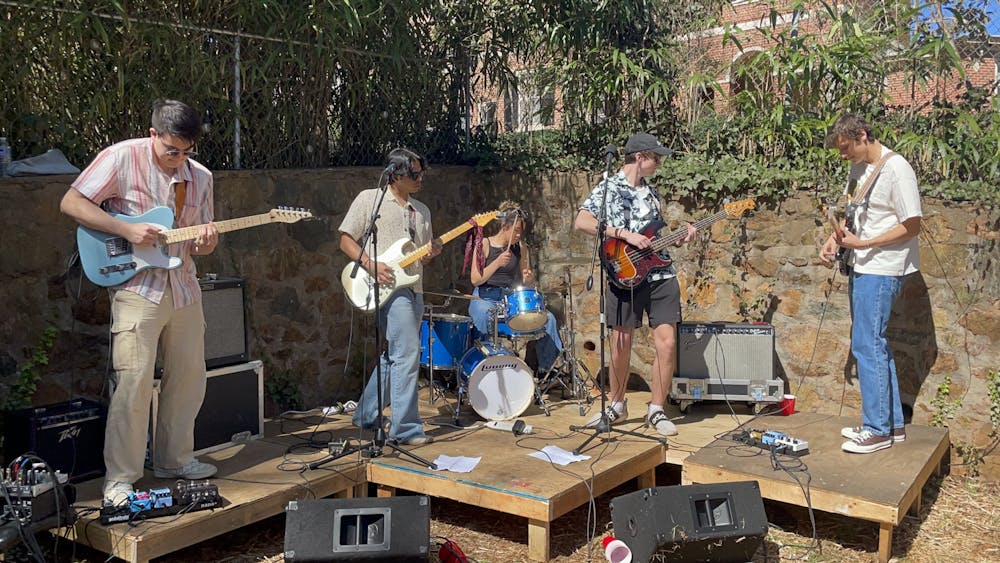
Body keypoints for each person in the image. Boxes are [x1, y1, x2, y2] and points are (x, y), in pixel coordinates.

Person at [60, 99, 219, 505]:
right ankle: (121, 477)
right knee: (132, 383)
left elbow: (199, 238)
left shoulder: (201, 177)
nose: (179, 159)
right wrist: (124, 230)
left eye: (187, 151)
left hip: (184, 288)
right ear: (154, 135)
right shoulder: (120, 157)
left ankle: (174, 459)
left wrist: (207, 240)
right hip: (136, 289)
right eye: (172, 151)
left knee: (188, 378)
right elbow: (72, 203)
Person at [573, 133, 696, 437]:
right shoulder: (608, 189)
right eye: (656, 157)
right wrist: (624, 235)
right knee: (621, 341)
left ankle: (656, 409)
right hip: (623, 272)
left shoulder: (652, 193)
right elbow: (582, 221)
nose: (659, 163)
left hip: (660, 274)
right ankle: (616, 404)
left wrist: (679, 238)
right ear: (640, 158)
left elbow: (655, 239)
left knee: (667, 342)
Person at [820, 113, 921, 454]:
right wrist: (835, 238)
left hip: (882, 268)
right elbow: (850, 211)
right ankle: (891, 425)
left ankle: (876, 430)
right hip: (862, 264)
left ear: (863, 135)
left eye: (847, 148)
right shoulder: (857, 169)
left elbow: (912, 225)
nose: (843, 155)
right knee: (874, 344)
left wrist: (864, 244)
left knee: (867, 345)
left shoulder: (897, 169)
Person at [339, 148, 440, 446]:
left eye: (422, 173)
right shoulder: (370, 200)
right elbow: (346, 239)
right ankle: (405, 429)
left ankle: (366, 414)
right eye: (414, 174)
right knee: (407, 355)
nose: (420, 179)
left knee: (393, 355)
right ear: (395, 174)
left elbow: (420, 258)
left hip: (414, 288)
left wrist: (431, 253)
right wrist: (370, 265)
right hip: (385, 288)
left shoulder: (422, 211)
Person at [466, 201, 563, 374]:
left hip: (508, 300)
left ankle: (547, 371)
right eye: (516, 230)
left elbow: (527, 282)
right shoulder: (485, 244)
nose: (518, 235)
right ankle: (480, 368)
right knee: (483, 317)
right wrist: (496, 263)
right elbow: (475, 279)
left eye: (521, 231)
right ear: (505, 228)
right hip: (485, 297)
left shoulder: (521, 248)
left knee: (548, 319)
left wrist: (528, 278)